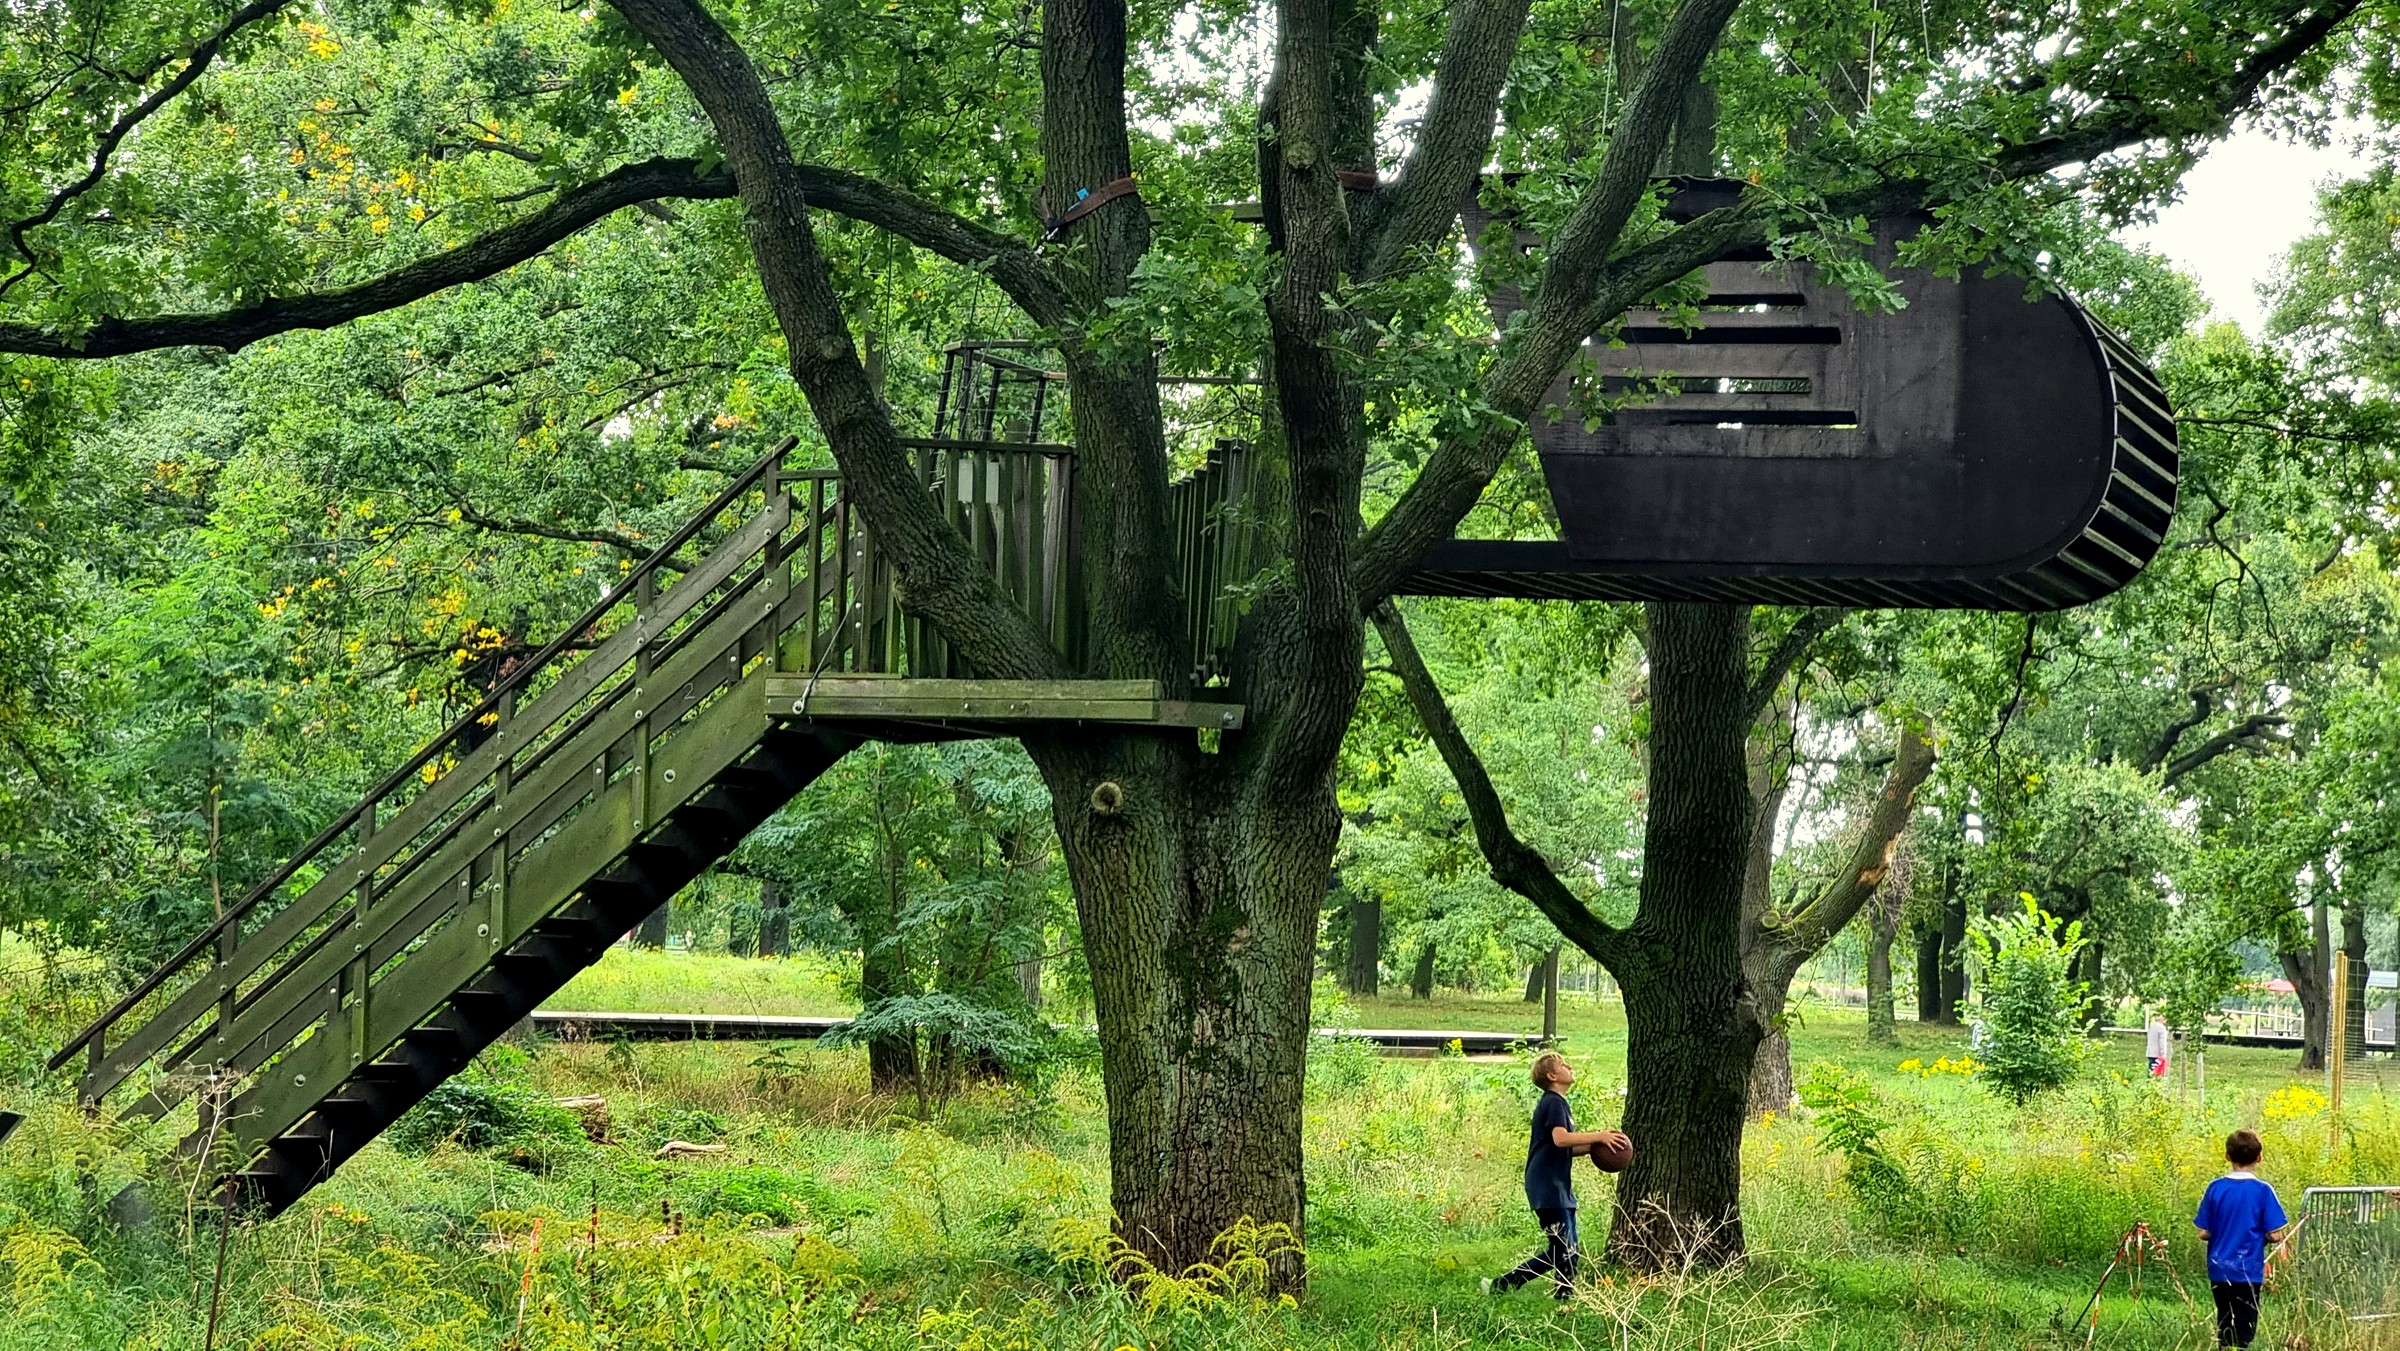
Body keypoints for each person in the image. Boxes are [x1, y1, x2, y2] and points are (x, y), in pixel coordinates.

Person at [1483, 1051, 1628, 1299]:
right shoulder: (1553, 1102)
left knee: (1567, 1249)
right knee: (1563, 1249)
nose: (1569, 1066)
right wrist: (1598, 1135)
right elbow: (1560, 1139)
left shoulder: (1559, 1103)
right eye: (1563, 1064)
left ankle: (1556, 1294)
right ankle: (1516, 1287)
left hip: (1558, 1187)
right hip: (1547, 1186)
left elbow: (1567, 1147)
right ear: (1552, 1076)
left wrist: (1598, 1147)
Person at [2194, 1127, 2288, 1348]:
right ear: (2259, 1157)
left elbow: (2203, 1232)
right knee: (2245, 1325)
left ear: (2228, 1156)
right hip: (2248, 1270)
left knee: (2224, 1319)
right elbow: (2276, 1234)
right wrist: (2263, 1236)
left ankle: (2224, 1346)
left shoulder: (2215, 1188)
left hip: (2218, 1268)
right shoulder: (2263, 1191)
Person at [2148, 1015, 2173, 1079]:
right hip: (2158, 1055)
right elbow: (2162, 1042)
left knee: (2151, 1071)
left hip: (2150, 1052)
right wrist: (2163, 1054)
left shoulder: (2152, 1026)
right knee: (2158, 1072)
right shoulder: (2161, 1028)